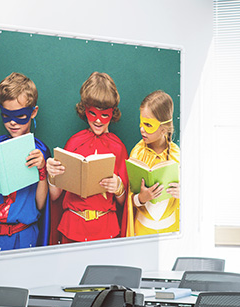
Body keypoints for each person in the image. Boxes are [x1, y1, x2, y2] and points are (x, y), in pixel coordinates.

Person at [0, 72, 50, 253]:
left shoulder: (39, 151)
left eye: (20, 115)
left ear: (33, 112)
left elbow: (41, 205)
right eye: (6, 115)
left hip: (24, 237)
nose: (12, 122)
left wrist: (42, 171)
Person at [46, 72, 128, 243]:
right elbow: (55, 196)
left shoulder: (118, 147)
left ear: (112, 113)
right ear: (84, 110)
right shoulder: (74, 143)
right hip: (72, 226)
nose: (98, 121)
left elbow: (124, 204)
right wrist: (52, 175)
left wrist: (119, 187)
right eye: (93, 113)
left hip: (106, 228)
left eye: (104, 114)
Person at [127, 90, 180, 236]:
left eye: (149, 125)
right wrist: (141, 198)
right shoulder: (137, 153)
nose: (142, 129)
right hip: (142, 231)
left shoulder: (178, 156)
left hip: (171, 231)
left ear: (164, 128)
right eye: (141, 123)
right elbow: (128, 201)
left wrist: (185, 193)